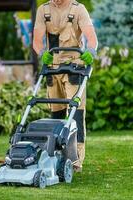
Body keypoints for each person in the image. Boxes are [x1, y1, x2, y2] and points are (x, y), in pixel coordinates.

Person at [33, 0, 98, 172]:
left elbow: (91, 37)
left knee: (76, 112)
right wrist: (42, 53)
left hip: (74, 66)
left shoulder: (78, 9)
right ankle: (54, 154)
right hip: (52, 67)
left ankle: (75, 159)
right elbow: (37, 40)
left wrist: (90, 52)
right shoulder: (43, 10)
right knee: (56, 112)